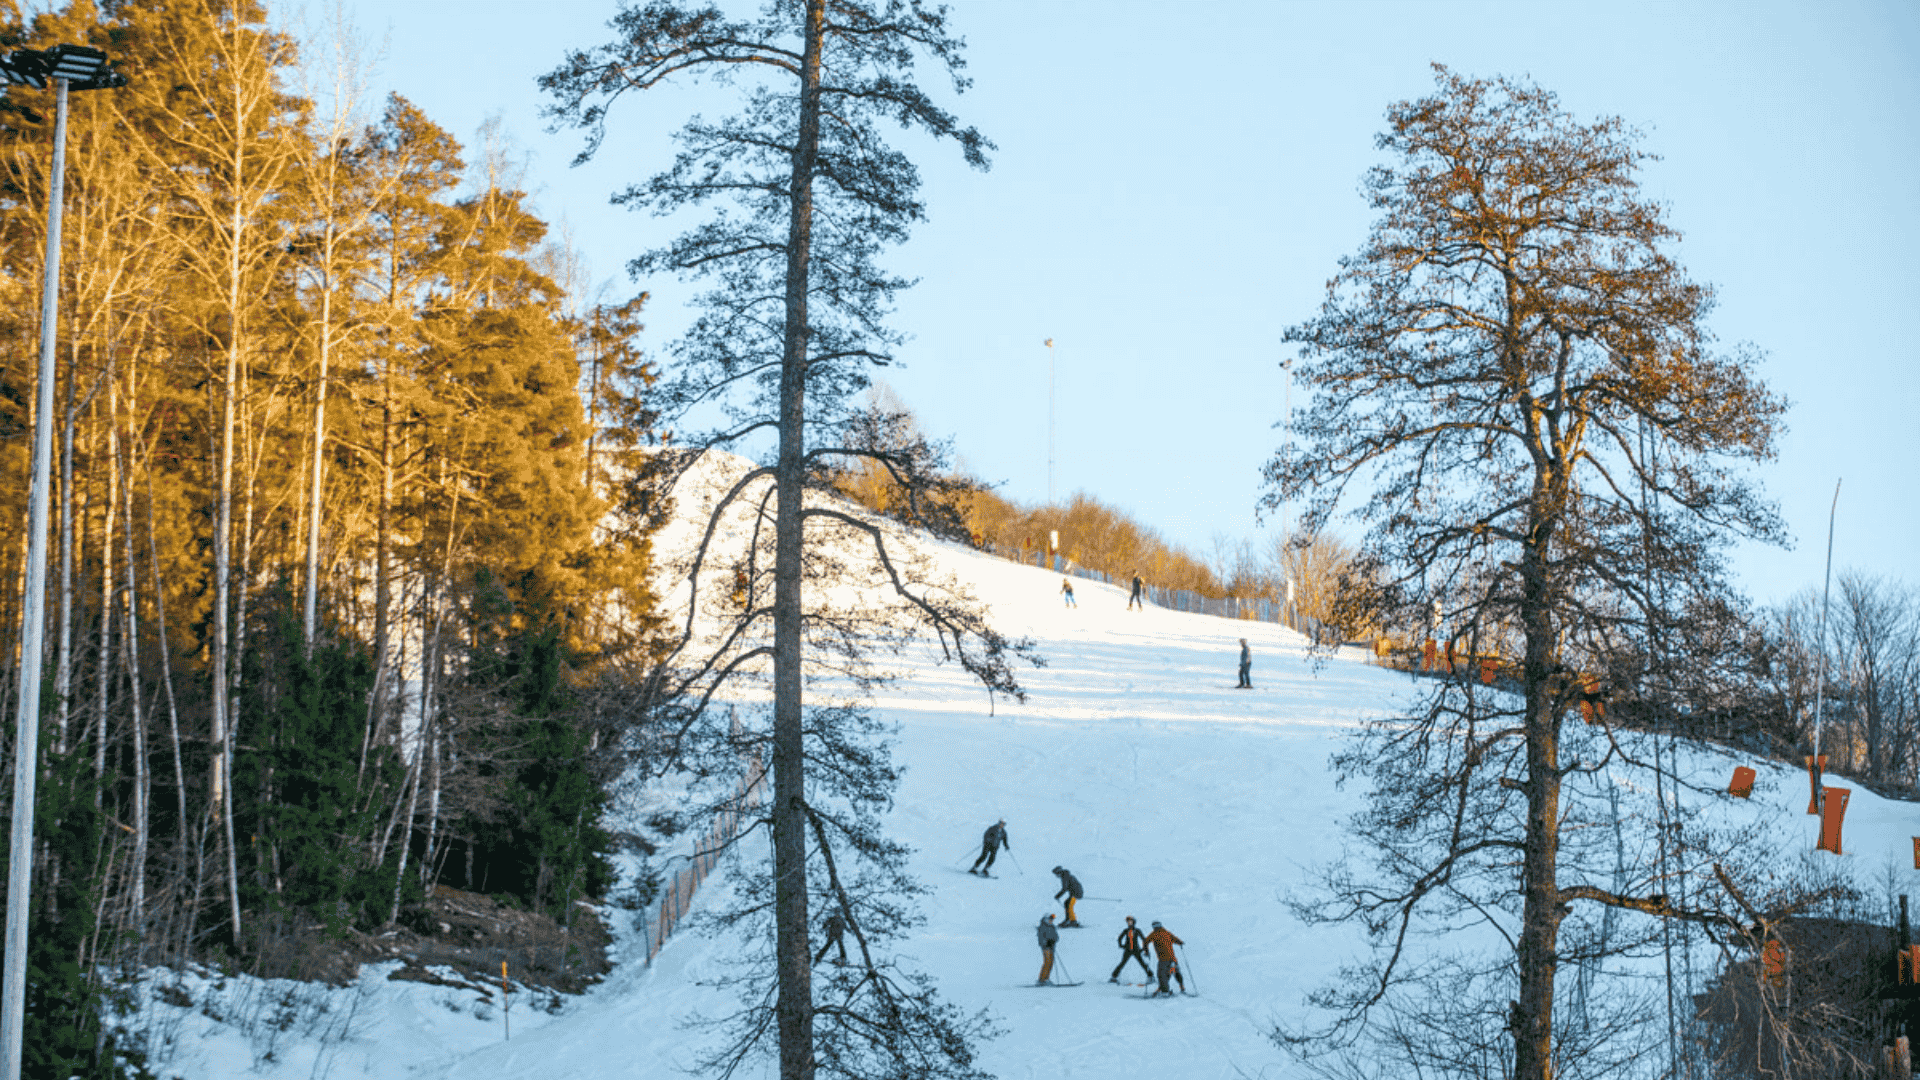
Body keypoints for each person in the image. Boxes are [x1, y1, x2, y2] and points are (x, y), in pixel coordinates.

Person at [1144, 920, 1185, 995]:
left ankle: (1165, 991)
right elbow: (1175, 939)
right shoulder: (1167, 933)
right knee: (1174, 972)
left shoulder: (1154, 934)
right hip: (1173, 959)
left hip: (1163, 959)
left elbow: (1145, 942)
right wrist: (1180, 943)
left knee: (1162, 974)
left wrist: (1146, 952)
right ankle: (1182, 987)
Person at [1110, 915, 1151, 983]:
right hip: (1128, 950)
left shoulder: (1137, 930)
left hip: (1136, 950)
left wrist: (1145, 949)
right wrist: (1121, 945)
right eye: (1128, 922)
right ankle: (1114, 977)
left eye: (1131, 922)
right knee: (1122, 963)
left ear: (1134, 923)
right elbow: (1120, 938)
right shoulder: (1126, 930)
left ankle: (1150, 976)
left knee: (1142, 963)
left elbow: (1144, 940)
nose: (1129, 924)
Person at [1036, 913, 1060, 985]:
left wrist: (1053, 941)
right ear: (1046, 919)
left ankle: (1046, 978)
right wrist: (1046, 943)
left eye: (1052, 919)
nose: (1051, 921)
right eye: (1050, 919)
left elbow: (1056, 936)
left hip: (1052, 947)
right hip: (1046, 948)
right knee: (1047, 962)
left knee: (1051, 963)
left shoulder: (1052, 927)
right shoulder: (1042, 927)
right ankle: (1042, 979)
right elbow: (1041, 938)